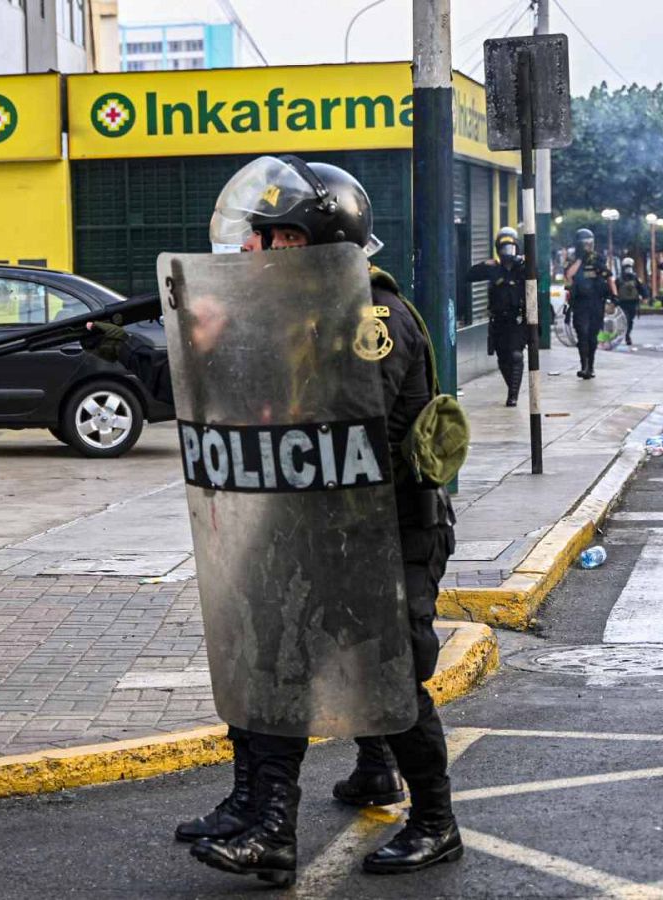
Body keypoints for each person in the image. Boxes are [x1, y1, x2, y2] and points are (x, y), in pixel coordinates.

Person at [93, 157, 463, 884]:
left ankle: (436, 822)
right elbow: (219, 403)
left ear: (302, 243)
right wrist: (137, 346)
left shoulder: (371, 318)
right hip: (310, 526)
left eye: (265, 239)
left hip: (388, 533)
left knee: (389, 674)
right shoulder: (298, 315)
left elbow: (326, 417)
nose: (250, 253)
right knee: (267, 655)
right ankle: (272, 810)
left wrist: (231, 335)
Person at [466, 227, 528, 404]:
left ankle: (513, 396)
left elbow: (537, 277)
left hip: (517, 319)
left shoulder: (522, 269)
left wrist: (525, 263)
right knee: (503, 358)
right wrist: (485, 264)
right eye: (503, 248)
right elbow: (469, 276)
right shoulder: (493, 269)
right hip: (499, 320)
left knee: (516, 355)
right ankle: (512, 387)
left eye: (511, 248)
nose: (507, 252)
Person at [565, 228, 613, 379]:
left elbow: (608, 277)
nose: (588, 246)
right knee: (582, 334)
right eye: (585, 244)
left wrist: (614, 297)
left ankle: (590, 366)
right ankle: (583, 365)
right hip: (580, 304)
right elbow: (569, 275)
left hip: (596, 303)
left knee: (592, 336)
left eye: (590, 243)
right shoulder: (574, 260)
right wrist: (580, 259)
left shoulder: (598, 258)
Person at [614, 257, 644, 346]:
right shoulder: (620, 279)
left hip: (630, 302)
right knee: (627, 320)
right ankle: (625, 335)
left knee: (629, 320)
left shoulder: (633, 278)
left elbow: (641, 288)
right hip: (625, 303)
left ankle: (627, 334)